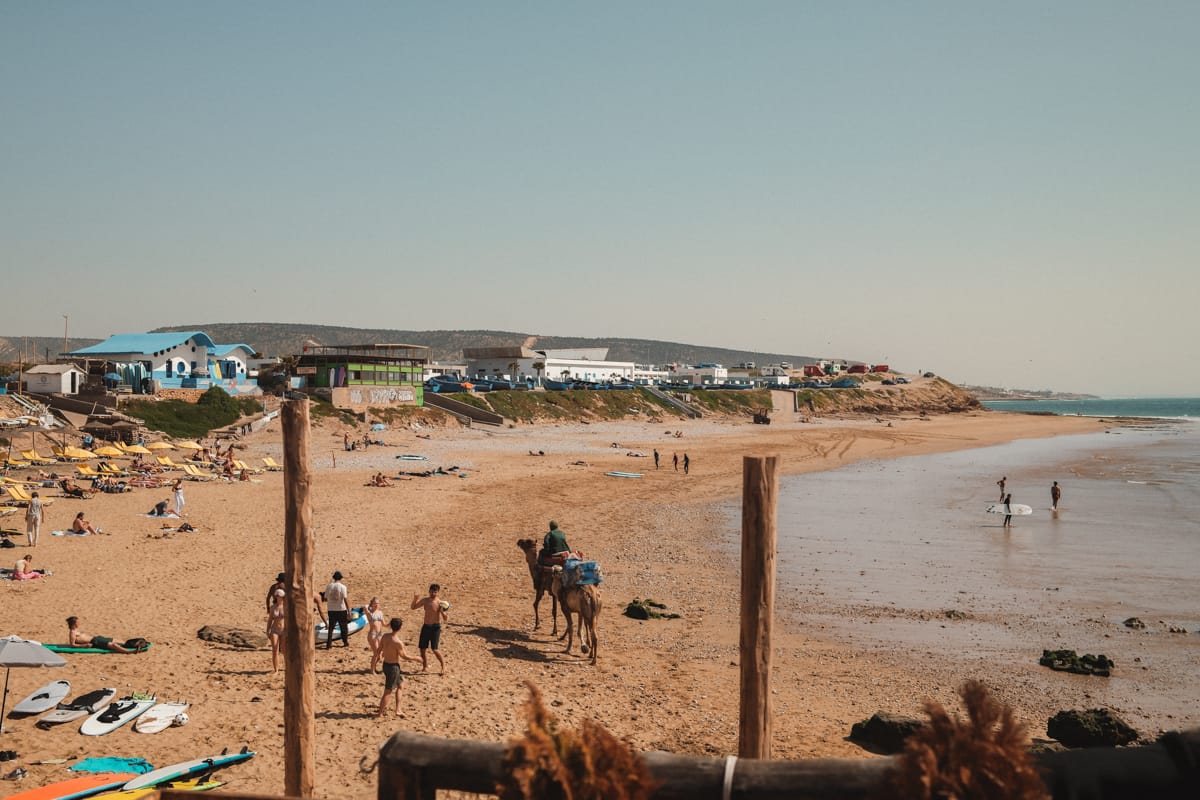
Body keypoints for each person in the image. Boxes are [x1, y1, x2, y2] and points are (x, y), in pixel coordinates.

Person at [377, 618, 421, 717]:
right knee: (388, 691)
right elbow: (404, 656)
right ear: (400, 628)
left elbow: (379, 649)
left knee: (401, 684)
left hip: (386, 665)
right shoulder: (398, 642)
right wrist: (416, 658)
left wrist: (378, 656)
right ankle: (379, 713)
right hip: (393, 668)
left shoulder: (385, 636)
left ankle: (398, 709)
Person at [410, 584, 448, 674]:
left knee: (435, 649)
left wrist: (442, 611)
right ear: (429, 591)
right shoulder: (425, 600)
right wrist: (415, 599)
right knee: (422, 649)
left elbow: (446, 619)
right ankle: (425, 667)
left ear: (438, 592)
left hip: (435, 628)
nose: (433, 593)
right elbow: (413, 607)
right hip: (426, 626)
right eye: (431, 591)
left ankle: (443, 667)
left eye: (435, 592)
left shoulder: (440, 603)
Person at [66, 616, 143, 653]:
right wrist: (84, 646)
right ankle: (129, 652)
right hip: (94, 642)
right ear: (74, 624)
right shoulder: (72, 633)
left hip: (96, 638)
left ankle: (135, 644)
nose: (79, 623)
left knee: (118, 641)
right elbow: (72, 645)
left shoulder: (76, 629)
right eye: (78, 622)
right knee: (113, 645)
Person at [324, 570, 350, 649]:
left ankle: (329, 644)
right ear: (340, 578)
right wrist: (349, 610)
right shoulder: (343, 587)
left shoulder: (329, 586)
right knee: (343, 627)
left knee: (331, 628)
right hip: (341, 609)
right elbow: (345, 599)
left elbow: (325, 598)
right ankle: (345, 642)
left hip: (331, 609)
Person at [267, 588, 286, 673]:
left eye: (280, 595)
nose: (278, 597)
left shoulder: (286, 607)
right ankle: (276, 670)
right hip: (275, 629)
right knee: (275, 649)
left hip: (284, 629)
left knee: (284, 649)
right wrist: (268, 630)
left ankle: (287, 667)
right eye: (277, 595)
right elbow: (270, 620)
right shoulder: (273, 607)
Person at [366, 597, 386, 673]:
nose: (376, 605)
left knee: (384, 652)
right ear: (372, 604)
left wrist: (391, 624)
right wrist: (370, 606)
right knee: (376, 653)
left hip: (379, 634)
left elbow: (384, 624)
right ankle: (372, 670)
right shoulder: (369, 612)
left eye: (377, 603)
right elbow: (365, 606)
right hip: (372, 634)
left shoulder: (380, 613)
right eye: (375, 603)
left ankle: (373, 666)